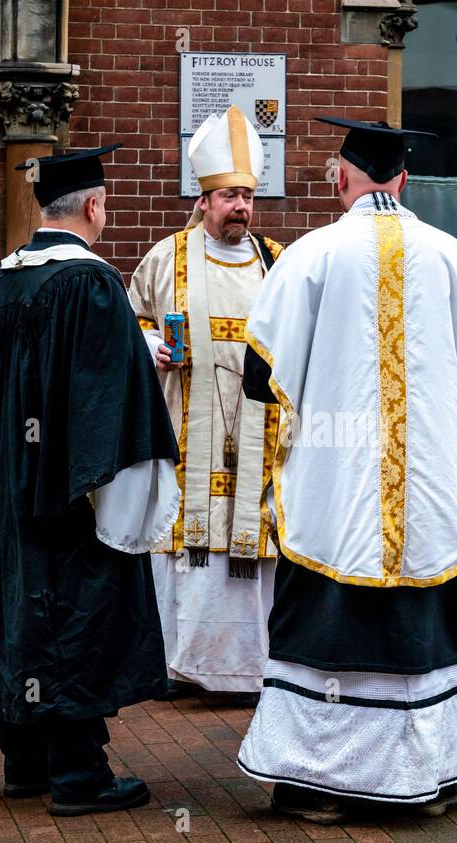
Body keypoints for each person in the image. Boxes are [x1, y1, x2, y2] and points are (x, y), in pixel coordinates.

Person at [235, 116, 457, 824]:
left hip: (334, 495)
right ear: (405, 181)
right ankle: (435, 772)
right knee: (427, 607)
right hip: (425, 497)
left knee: (322, 608)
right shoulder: (452, 258)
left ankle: (311, 780)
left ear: (340, 179)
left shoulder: (312, 254)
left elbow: (256, 374)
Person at [0, 144, 180, 817]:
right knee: (75, 610)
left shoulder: (5, 282)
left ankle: (24, 756)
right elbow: (102, 400)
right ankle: (80, 772)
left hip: (9, 486)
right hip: (66, 493)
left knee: (19, 605)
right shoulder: (91, 285)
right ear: (93, 205)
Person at [127, 106, 284, 704]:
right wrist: (152, 349)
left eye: (247, 195)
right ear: (203, 199)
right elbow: (132, 323)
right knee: (186, 557)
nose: (240, 207)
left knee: (247, 559)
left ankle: (247, 669)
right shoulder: (167, 258)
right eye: (229, 197)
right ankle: (177, 664)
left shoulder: (277, 260)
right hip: (186, 429)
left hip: (257, 437)